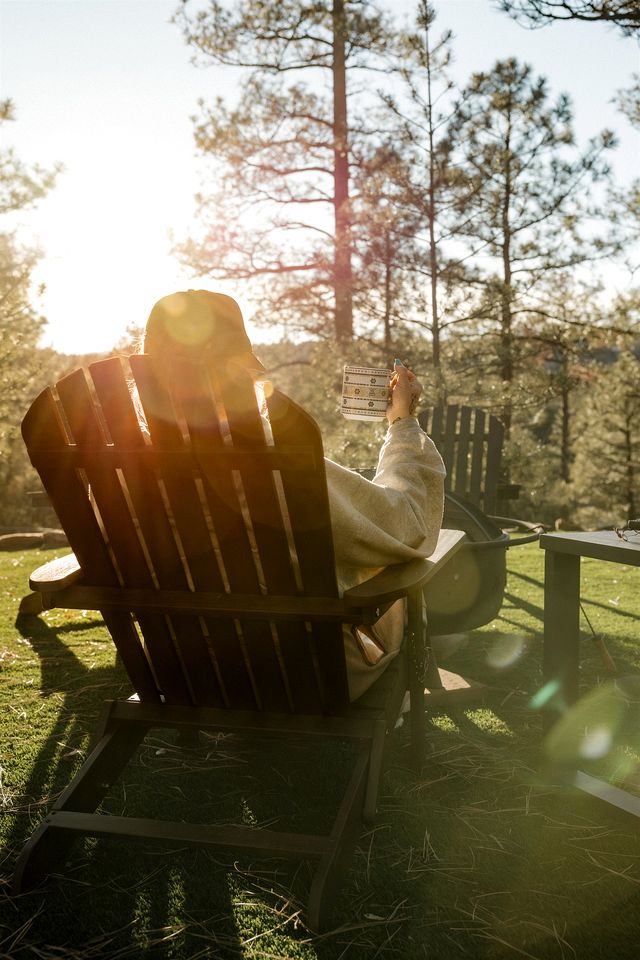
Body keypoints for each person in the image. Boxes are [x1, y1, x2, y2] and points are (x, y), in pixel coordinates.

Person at [142, 289, 446, 700]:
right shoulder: (272, 464)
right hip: (300, 674)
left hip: (182, 672)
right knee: (399, 578)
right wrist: (403, 424)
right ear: (235, 368)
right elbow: (407, 525)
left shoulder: (122, 470)